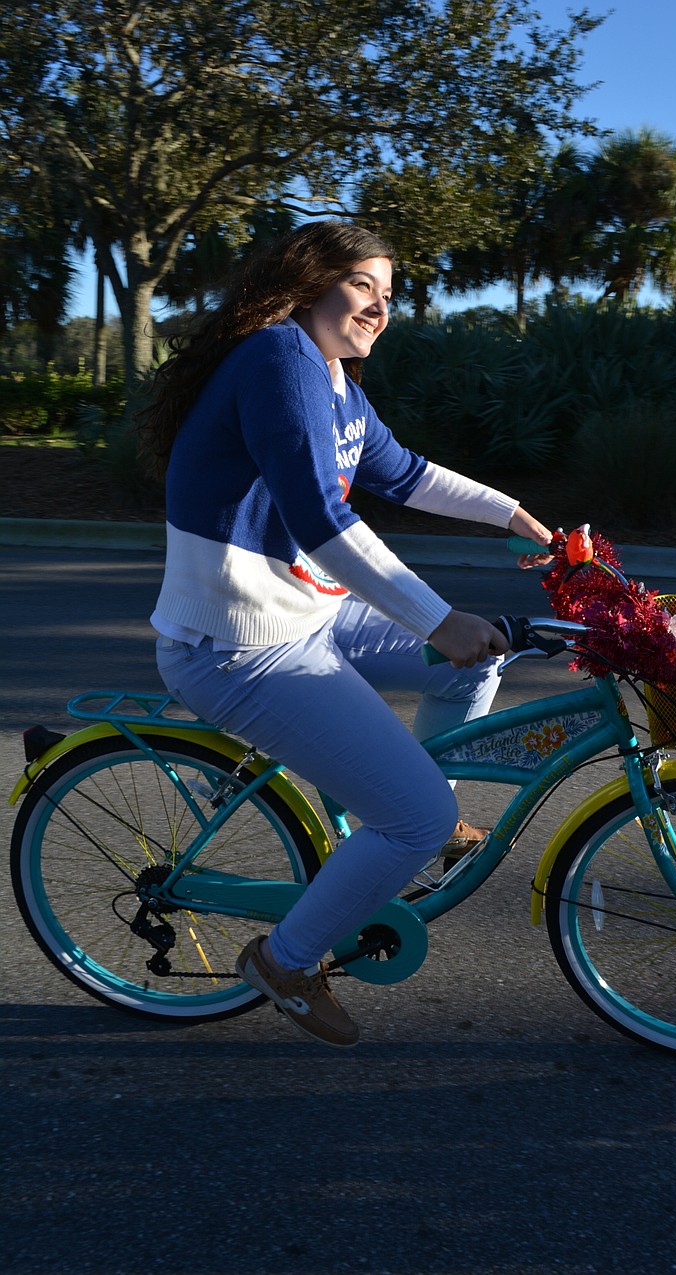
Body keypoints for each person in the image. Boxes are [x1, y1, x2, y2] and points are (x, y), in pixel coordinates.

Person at [138, 220, 553, 1049]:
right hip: (240, 648)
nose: (378, 307)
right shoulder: (276, 357)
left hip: (312, 614)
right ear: (309, 277)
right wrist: (440, 616)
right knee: (419, 815)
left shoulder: (330, 376)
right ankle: (287, 958)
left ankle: (397, 813)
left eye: (389, 296)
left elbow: (401, 472)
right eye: (364, 285)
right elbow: (323, 523)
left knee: (473, 669)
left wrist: (511, 513)